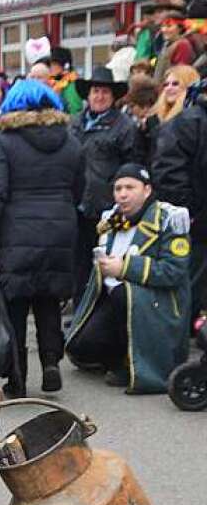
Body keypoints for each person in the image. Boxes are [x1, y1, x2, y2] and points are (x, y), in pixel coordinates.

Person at [0, 79, 84, 395]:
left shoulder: (2, 142)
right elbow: (80, 187)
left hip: (16, 230)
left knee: (16, 304)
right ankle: (51, 362)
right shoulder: (71, 141)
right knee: (49, 297)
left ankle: (18, 375)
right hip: (60, 227)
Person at [66, 163, 191, 392]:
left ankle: (127, 364)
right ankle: (118, 353)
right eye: (118, 188)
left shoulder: (170, 218)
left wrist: (125, 268)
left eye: (130, 188)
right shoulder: (111, 219)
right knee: (80, 348)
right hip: (115, 300)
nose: (122, 194)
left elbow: (174, 272)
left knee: (124, 294)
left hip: (158, 304)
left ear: (146, 189)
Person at [69, 66, 140, 303]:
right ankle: (80, 310)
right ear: (88, 95)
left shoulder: (124, 126)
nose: (99, 96)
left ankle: (103, 313)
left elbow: (131, 167)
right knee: (79, 261)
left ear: (112, 97)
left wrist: (122, 199)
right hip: (77, 205)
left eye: (104, 92)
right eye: (95, 91)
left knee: (108, 260)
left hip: (109, 207)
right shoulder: (75, 123)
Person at [153, 76, 207, 319]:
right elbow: (169, 174)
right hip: (196, 220)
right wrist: (190, 212)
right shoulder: (189, 122)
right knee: (191, 282)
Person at [153, 11, 196, 83]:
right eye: (162, 26)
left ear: (180, 28)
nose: (164, 30)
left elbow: (179, 75)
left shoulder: (183, 45)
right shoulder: (167, 45)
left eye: (169, 26)